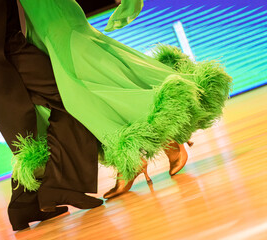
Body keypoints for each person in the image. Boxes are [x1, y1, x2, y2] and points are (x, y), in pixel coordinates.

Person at [14, 0, 232, 199]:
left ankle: (153, 147)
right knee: (98, 84)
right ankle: (143, 152)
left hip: (54, 16)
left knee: (81, 94)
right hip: (36, 26)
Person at [0, 0, 103, 231]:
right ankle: (59, 188)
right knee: (71, 98)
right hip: (2, 52)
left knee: (30, 133)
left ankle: (25, 205)